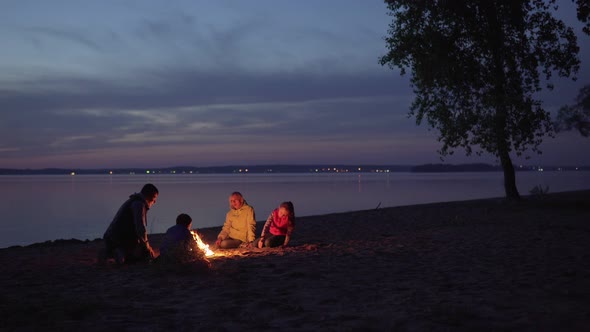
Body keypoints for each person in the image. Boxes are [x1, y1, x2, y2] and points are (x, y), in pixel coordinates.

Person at [100, 183, 158, 264]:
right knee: (145, 256)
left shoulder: (134, 201)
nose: (154, 202)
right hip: (117, 239)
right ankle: (115, 253)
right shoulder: (138, 204)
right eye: (154, 198)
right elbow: (140, 228)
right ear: (149, 195)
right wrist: (147, 247)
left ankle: (114, 252)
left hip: (114, 237)